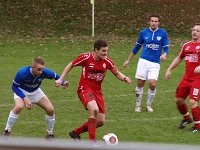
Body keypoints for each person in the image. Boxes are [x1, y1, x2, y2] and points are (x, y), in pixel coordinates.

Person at [55, 39, 131, 143]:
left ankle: (75, 133)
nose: (106, 53)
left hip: (97, 91)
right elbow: (71, 65)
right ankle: (92, 143)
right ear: (96, 50)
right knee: (94, 110)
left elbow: (117, 72)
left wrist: (125, 78)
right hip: (84, 89)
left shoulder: (107, 61)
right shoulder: (86, 57)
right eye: (103, 51)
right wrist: (61, 79)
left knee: (100, 121)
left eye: (107, 51)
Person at [2, 56, 68, 139]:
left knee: (50, 109)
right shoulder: (22, 73)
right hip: (21, 91)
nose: (41, 72)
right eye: (39, 69)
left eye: (42, 69)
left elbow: (57, 77)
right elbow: (14, 87)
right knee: (18, 107)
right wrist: (25, 98)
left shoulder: (44, 72)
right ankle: (7, 131)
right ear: (32, 67)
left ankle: (49, 134)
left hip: (35, 91)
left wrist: (63, 82)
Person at [123, 15, 169, 112]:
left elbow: (166, 47)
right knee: (140, 83)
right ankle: (138, 105)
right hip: (143, 61)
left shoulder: (163, 33)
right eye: (152, 21)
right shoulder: (143, 33)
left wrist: (164, 54)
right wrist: (128, 60)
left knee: (152, 84)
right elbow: (137, 47)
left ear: (159, 23)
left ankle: (148, 105)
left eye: (156, 21)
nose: (153, 23)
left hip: (155, 63)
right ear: (149, 22)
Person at [165, 24, 200, 132]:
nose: (194, 32)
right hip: (186, 78)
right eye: (193, 30)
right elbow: (179, 58)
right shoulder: (186, 45)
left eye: (197, 31)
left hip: (198, 79)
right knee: (179, 100)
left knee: (193, 102)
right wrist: (169, 69)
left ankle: (198, 127)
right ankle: (186, 118)